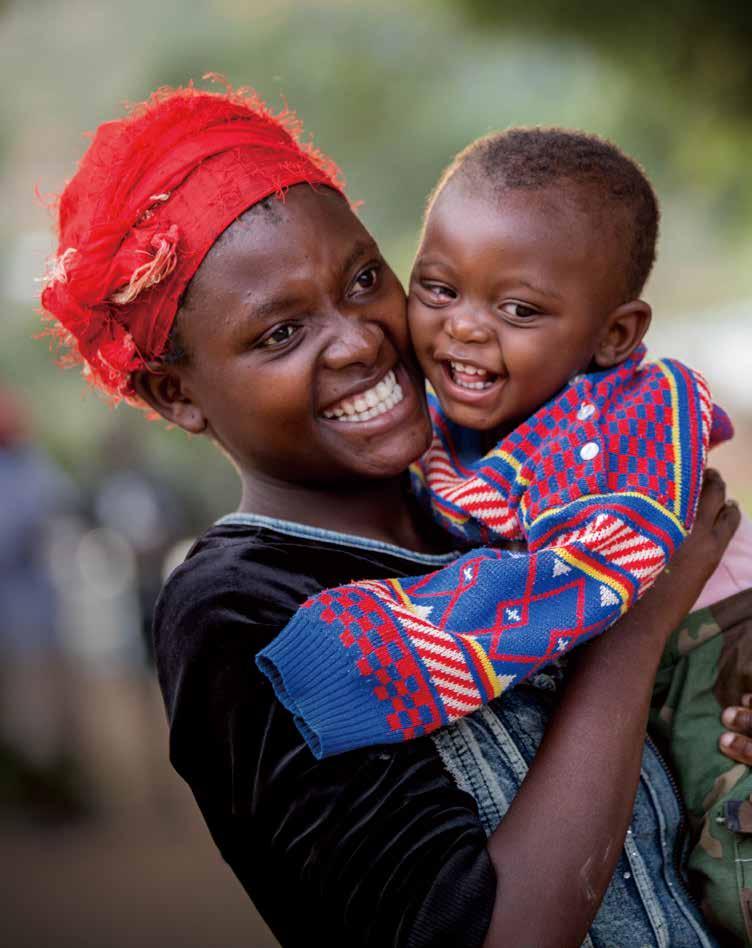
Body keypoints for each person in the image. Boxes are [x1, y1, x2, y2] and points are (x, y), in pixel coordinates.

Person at [39, 82, 747, 947]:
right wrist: (631, 630)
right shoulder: (239, 614)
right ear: (176, 394)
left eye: (364, 278)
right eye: (279, 334)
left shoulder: (510, 486)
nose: (361, 337)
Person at [257, 127, 752, 941]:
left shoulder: (636, 417)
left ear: (615, 335)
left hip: (716, 658)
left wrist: (362, 659)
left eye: (518, 309)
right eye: (439, 289)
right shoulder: (462, 430)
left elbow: (561, 584)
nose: (465, 329)